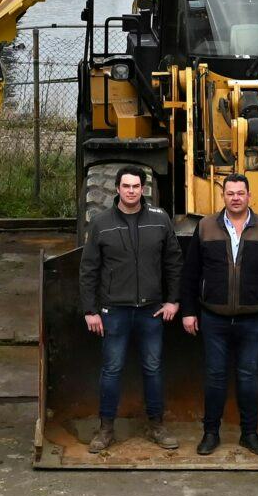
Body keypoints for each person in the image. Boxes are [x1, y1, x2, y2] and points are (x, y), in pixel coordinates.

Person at [179, 174, 258, 456]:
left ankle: (249, 434)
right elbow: (191, 273)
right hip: (213, 318)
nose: (235, 197)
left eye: (241, 193)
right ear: (223, 196)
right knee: (214, 377)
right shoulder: (205, 227)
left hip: (253, 319)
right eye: (230, 193)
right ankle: (210, 433)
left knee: (248, 378)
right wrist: (189, 311)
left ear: (250, 196)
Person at [77, 166, 181, 453]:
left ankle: (156, 425)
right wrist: (90, 310)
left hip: (151, 311)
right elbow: (89, 270)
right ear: (117, 189)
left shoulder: (160, 221)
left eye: (136, 186)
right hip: (115, 312)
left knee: (153, 368)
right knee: (111, 370)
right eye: (126, 186)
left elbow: (173, 262)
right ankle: (106, 428)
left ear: (143, 189)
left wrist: (173, 300)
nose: (131, 191)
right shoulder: (101, 223)